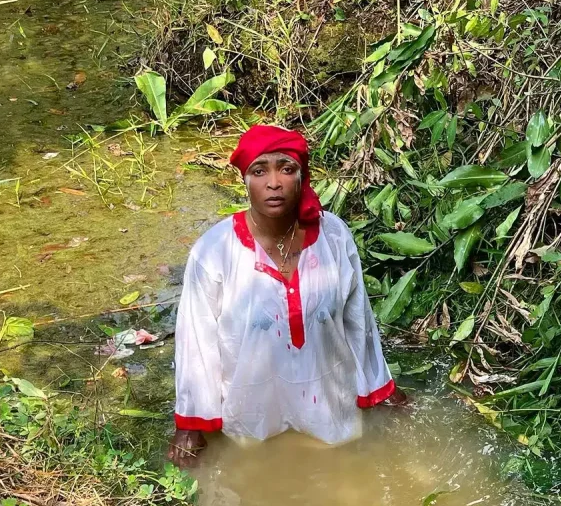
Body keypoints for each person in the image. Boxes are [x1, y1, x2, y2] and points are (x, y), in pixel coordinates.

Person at [167, 124, 402, 467]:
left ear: (302, 177)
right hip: (252, 417)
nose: (273, 182)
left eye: (286, 169)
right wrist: (190, 425)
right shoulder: (214, 251)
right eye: (259, 171)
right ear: (244, 181)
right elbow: (196, 341)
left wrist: (381, 389)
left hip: (329, 411)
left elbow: (358, 320)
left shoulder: (333, 236)